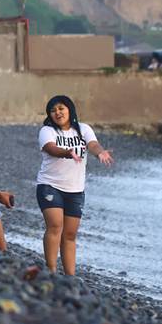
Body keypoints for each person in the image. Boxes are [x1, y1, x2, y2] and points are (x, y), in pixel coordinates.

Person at [37, 94, 113, 276]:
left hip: (75, 190)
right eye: (53, 110)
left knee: (70, 235)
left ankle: (70, 276)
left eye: (61, 108)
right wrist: (66, 152)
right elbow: (50, 148)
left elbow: (93, 144)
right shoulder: (47, 131)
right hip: (50, 185)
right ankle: (52, 270)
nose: (58, 113)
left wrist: (100, 152)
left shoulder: (83, 129)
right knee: (55, 226)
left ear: (70, 110)